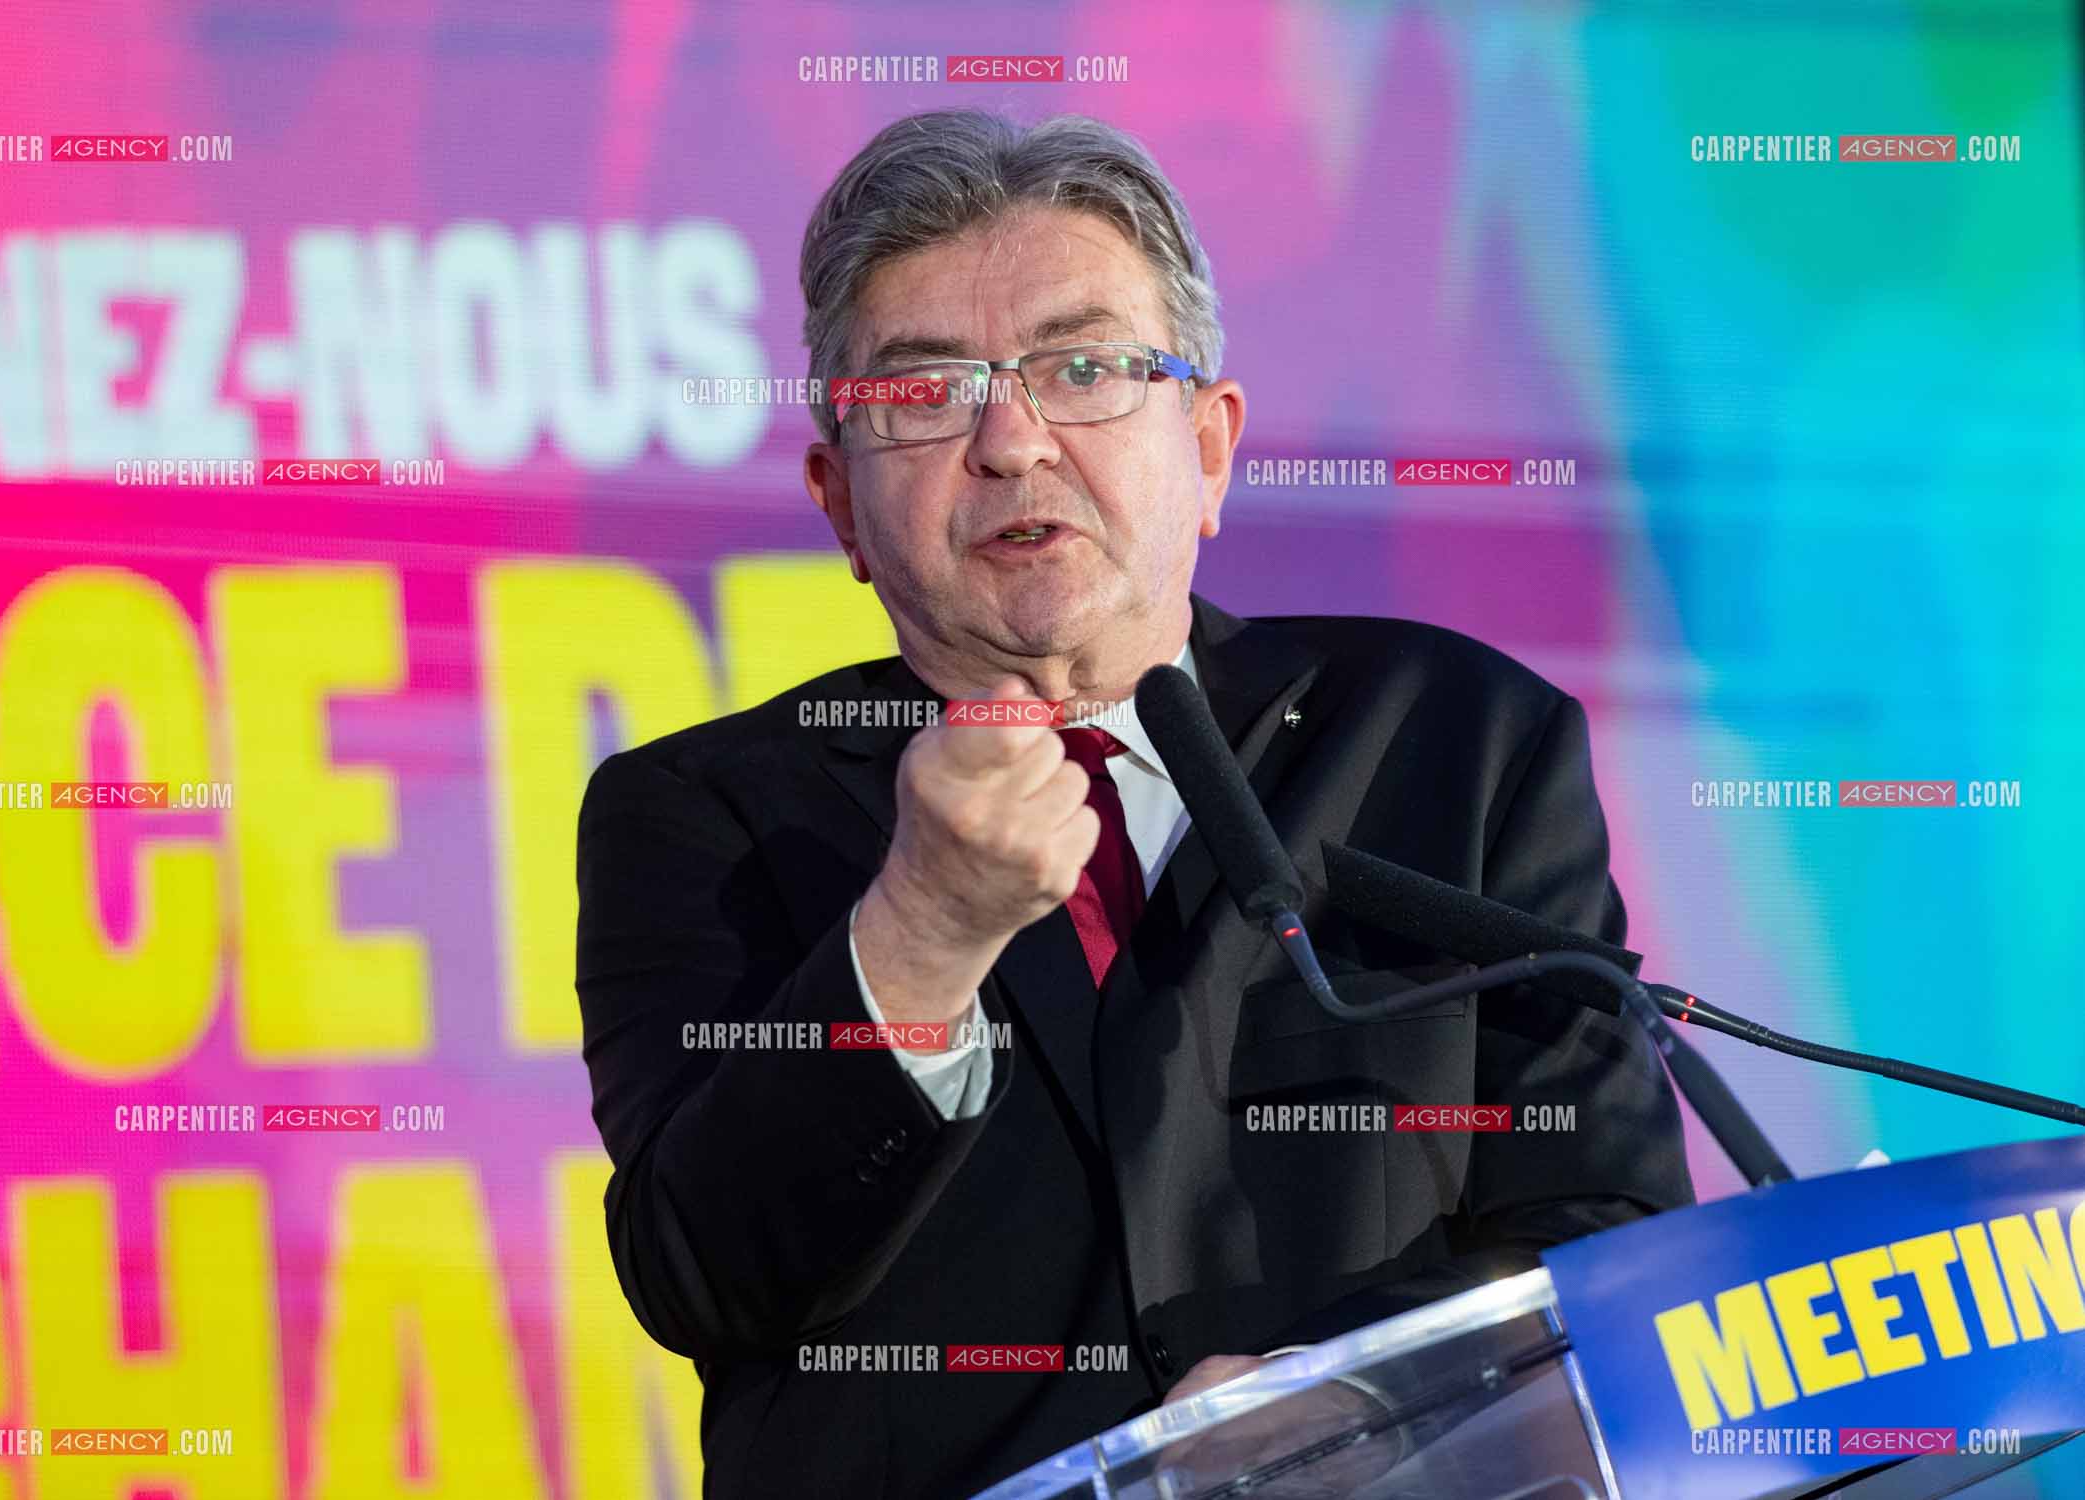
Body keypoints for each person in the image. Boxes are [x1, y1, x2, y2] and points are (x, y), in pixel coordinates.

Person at [576, 108, 1693, 1500]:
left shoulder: (1453, 737)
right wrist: (919, 934)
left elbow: (1603, 1222)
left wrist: (1339, 1390)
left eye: (1084, 367)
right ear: (839, 507)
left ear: (1210, 445)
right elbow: (704, 1280)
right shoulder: (703, 814)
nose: (1009, 441)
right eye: (923, 395)